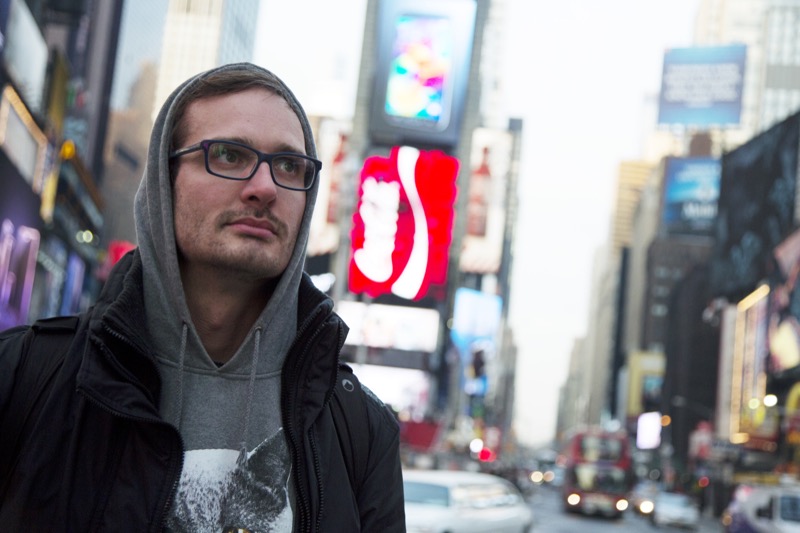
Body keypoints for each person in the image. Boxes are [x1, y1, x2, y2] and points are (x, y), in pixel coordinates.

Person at [0, 63, 405, 532]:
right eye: (230, 156)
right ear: (163, 180)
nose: (265, 188)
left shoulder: (361, 431)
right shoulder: (25, 377)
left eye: (289, 166)